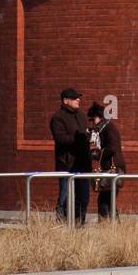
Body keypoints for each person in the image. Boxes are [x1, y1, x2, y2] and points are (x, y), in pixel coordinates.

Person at [49, 88, 90, 223]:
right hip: (67, 165)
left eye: (78, 97)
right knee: (65, 198)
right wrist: (79, 137)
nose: (78, 99)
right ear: (65, 101)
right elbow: (60, 139)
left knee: (83, 198)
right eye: (74, 98)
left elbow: (84, 137)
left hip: (83, 164)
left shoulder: (82, 116)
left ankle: (79, 225)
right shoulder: (58, 118)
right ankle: (61, 226)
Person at [87, 102, 127, 220]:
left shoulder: (109, 129)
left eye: (92, 119)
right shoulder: (104, 129)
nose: (91, 122)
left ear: (98, 117)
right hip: (110, 168)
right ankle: (112, 227)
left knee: (104, 201)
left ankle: (107, 226)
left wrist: (99, 154)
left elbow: (113, 148)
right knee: (108, 200)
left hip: (113, 168)